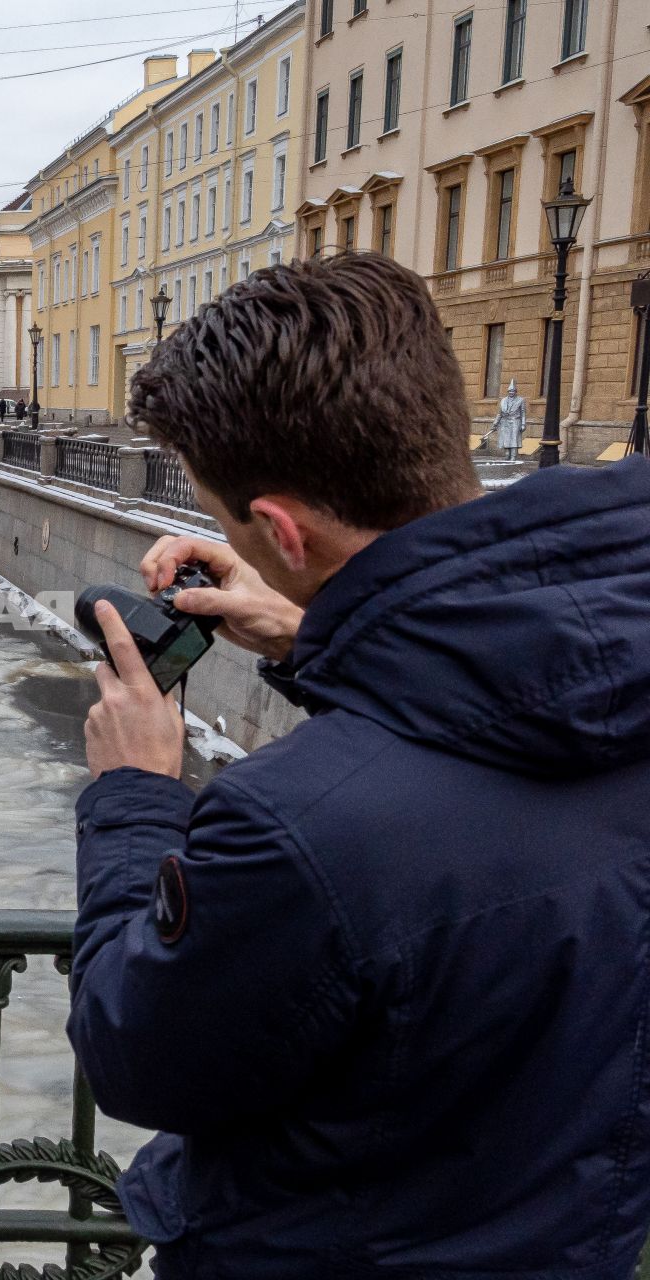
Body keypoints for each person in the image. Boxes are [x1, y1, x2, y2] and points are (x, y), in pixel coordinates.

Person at [74, 252, 650, 1276]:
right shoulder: (623, 669)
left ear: (281, 530)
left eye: (224, 515)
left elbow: (136, 1053)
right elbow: (493, 732)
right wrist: (311, 633)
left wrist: (134, 796)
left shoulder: (290, 828)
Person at [494, 378, 527, 460]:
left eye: (513, 391)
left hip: (515, 421)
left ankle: (513, 456)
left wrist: (523, 424)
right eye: (509, 391)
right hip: (505, 421)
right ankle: (507, 455)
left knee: (514, 439)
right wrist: (495, 423)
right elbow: (500, 413)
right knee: (506, 439)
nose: (511, 393)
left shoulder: (520, 400)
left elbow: (523, 412)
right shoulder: (503, 400)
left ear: (516, 392)